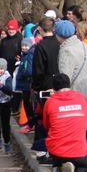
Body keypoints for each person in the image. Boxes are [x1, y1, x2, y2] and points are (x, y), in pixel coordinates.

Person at [56, 20, 87, 137]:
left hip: (78, 91)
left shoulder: (66, 50)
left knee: (78, 127)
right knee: (86, 126)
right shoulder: (83, 45)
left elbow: (65, 78)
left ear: (58, 35)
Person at [42, 73, 87, 172]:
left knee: (55, 143)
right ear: (69, 84)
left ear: (54, 87)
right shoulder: (82, 98)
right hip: (78, 151)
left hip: (56, 151)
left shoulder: (50, 102)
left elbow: (46, 125)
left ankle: (57, 167)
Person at [31, 17, 60, 154]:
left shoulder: (41, 46)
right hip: (59, 84)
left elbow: (38, 69)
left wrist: (36, 86)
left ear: (41, 29)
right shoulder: (59, 43)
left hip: (45, 86)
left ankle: (42, 148)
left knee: (43, 117)